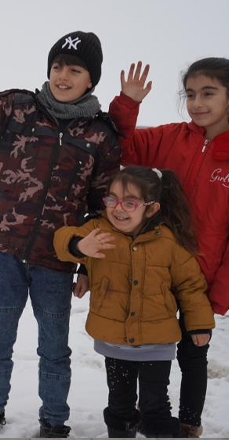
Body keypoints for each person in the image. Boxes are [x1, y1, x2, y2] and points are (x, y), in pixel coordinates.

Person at [0, 28, 122, 437]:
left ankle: (54, 423)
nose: (62, 75)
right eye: (56, 66)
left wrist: (86, 265)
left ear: (91, 79)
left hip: (57, 261)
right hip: (6, 253)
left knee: (54, 349)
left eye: (74, 69)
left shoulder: (100, 136)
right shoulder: (18, 109)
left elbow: (100, 207)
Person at [108, 58, 229, 438]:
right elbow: (124, 144)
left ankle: (189, 425)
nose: (196, 102)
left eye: (208, 93)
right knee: (149, 354)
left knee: (194, 355)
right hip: (154, 272)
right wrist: (128, 104)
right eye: (190, 94)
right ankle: (147, 416)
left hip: (203, 278)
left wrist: (220, 292)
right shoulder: (172, 137)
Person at [54, 166, 215, 438]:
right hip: (114, 341)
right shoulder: (97, 230)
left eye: (130, 202)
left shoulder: (168, 241)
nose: (118, 208)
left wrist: (198, 324)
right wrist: (80, 248)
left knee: (155, 407)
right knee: (119, 404)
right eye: (112, 199)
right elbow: (62, 238)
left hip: (157, 342)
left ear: (151, 209)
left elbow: (190, 285)